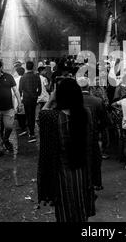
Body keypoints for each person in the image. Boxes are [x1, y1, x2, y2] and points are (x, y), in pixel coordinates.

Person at [37, 78, 96, 222]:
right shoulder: (85, 113)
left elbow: (41, 115)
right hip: (83, 171)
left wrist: (51, 98)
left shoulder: (51, 116)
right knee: (81, 207)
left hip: (62, 173)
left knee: (65, 210)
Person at [78, 77, 107, 190]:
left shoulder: (72, 101)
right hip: (93, 134)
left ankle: (81, 182)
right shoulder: (97, 101)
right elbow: (105, 120)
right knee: (95, 159)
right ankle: (96, 183)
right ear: (89, 87)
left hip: (77, 135)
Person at [19, 61, 42, 143]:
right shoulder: (36, 76)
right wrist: (36, 94)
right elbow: (40, 89)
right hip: (34, 98)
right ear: (33, 67)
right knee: (32, 114)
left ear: (26, 67)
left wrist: (21, 98)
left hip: (26, 98)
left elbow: (20, 89)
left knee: (28, 115)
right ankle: (31, 132)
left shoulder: (23, 77)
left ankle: (30, 131)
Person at [14, 66, 26, 136]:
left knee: (19, 112)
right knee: (23, 113)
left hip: (17, 98)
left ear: (17, 72)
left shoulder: (15, 79)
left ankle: (22, 127)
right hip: (24, 97)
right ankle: (23, 126)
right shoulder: (25, 78)